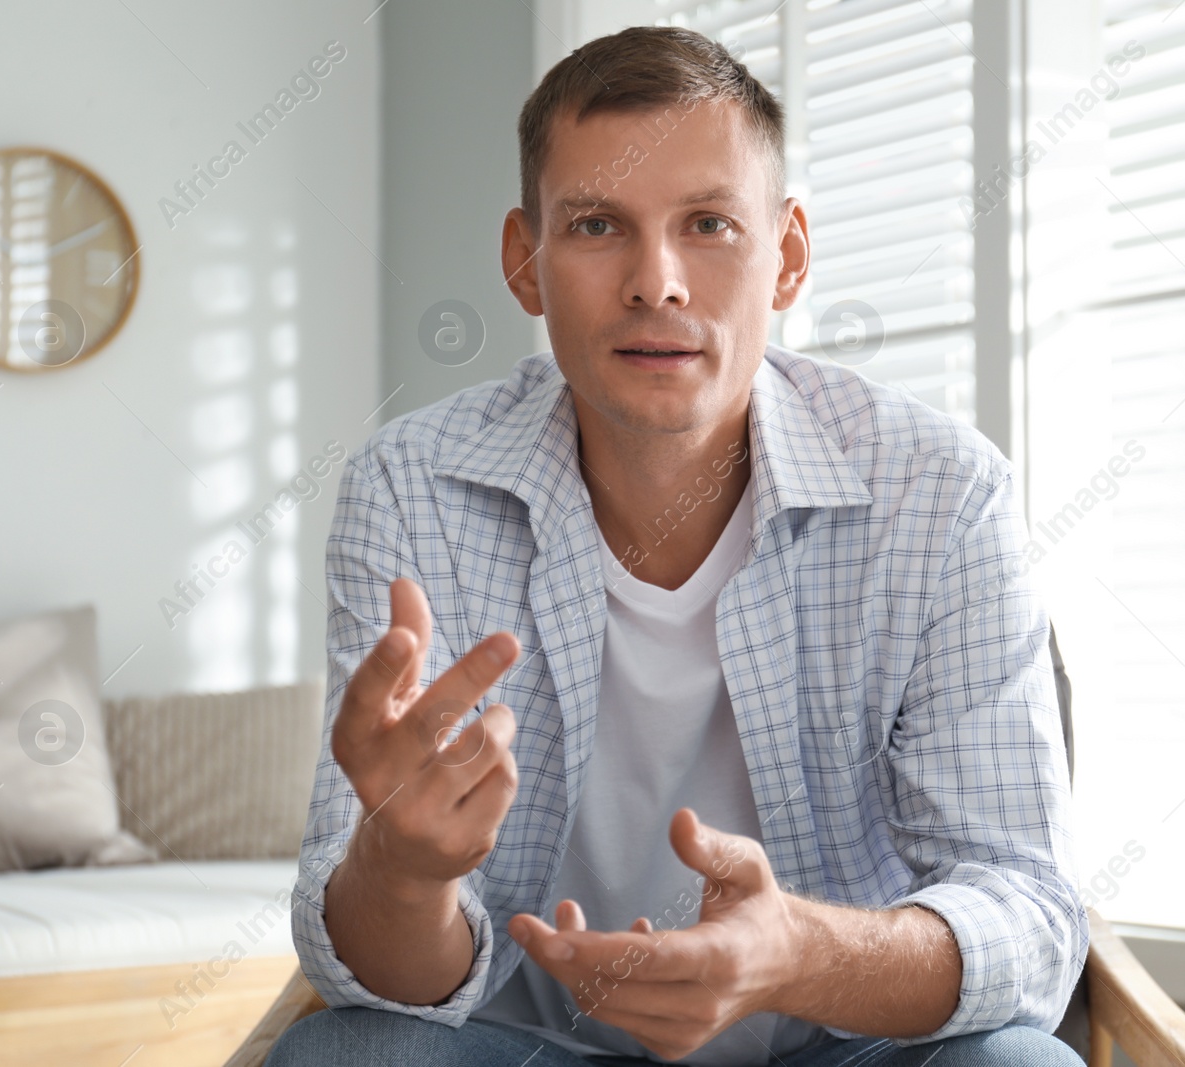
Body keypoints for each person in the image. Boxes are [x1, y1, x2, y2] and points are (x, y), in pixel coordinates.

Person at [269, 24, 1086, 1067]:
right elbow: (375, 978)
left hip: (841, 1047)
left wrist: (793, 953)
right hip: (533, 1048)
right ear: (524, 260)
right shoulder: (408, 483)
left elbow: (1029, 912)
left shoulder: (942, 490)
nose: (657, 281)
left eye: (707, 222)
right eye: (599, 224)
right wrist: (403, 868)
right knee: (344, 1054)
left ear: (786, 254)